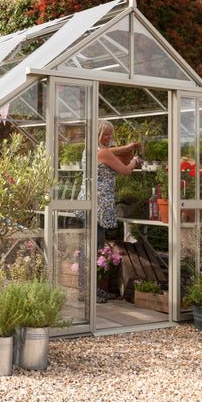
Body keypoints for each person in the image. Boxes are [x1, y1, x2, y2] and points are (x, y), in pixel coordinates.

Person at [76, 119, 143, 302]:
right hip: (98, 206)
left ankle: (89, 289)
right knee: (92, 248)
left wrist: (127, 147)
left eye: (110, 134)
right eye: (106, 134)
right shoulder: (102, 153)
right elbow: (126, 170)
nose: (109, 137)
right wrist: (135, 161)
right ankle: (88, 291)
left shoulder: (90, 151)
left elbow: (112, 151)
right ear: (97, 134)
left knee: (90, 248)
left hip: (90, 203)